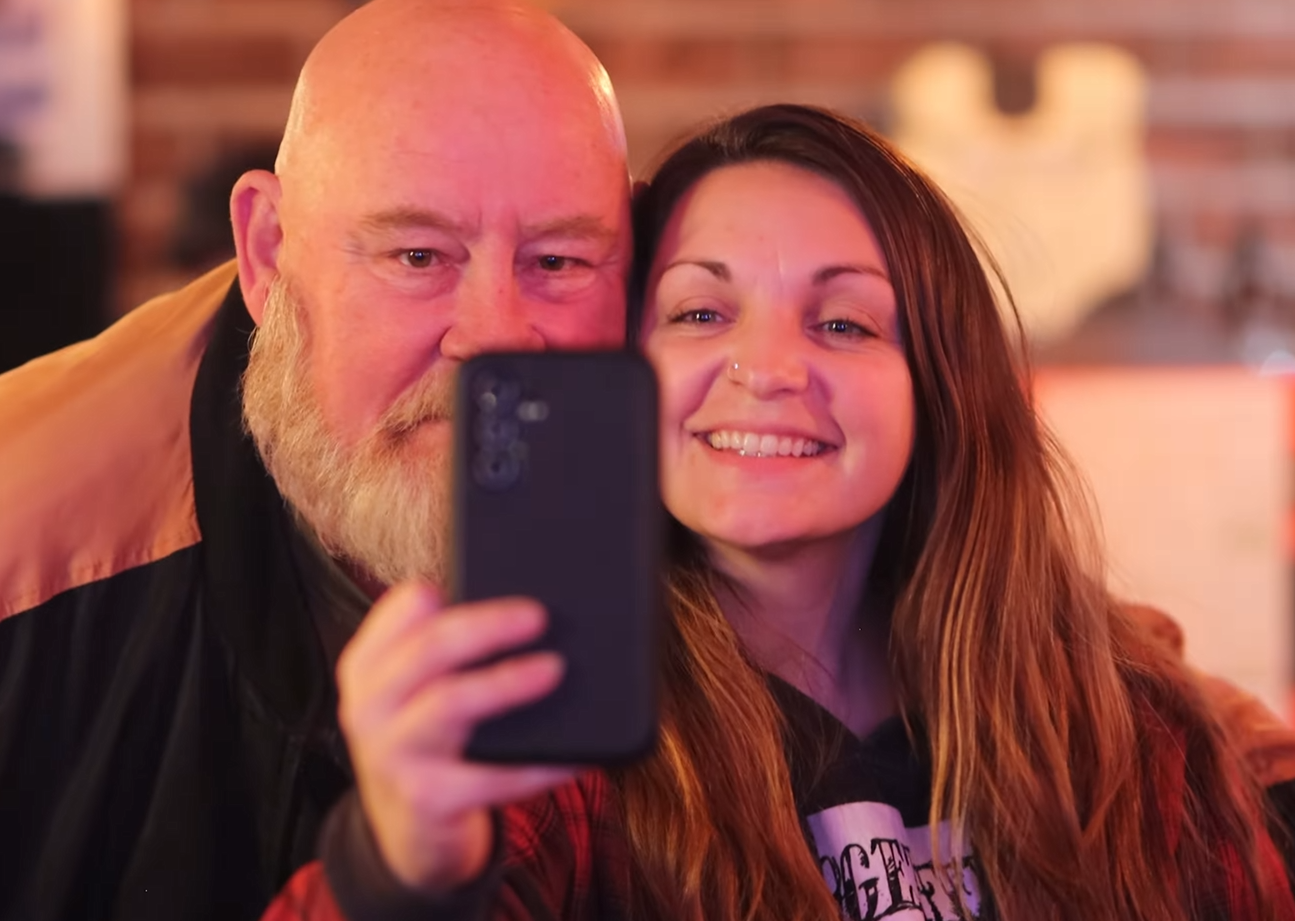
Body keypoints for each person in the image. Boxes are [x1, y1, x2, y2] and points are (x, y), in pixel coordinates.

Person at [262, 104, 1295, 921]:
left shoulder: (1132, 735)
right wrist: (394, 873)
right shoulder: (556, 745)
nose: (764, 370)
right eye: (700, 313)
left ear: (936, 387)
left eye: (842, 321)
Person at [0, 2, 632, 919]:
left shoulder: (713, 480)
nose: (497, 335)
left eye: (562, 259)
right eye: (417, 254)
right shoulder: (28, 548)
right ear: (266, 252)